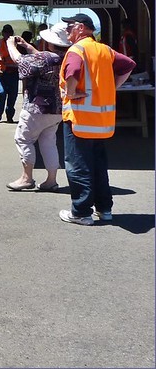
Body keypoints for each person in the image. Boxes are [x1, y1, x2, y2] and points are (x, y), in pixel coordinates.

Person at [58, 13, 136, 225]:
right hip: (101, 122)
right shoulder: (105, 50)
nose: (66, 30)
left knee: (77, 166)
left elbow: (72, 72)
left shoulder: (77, 50)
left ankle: (81, 212)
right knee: (98, 166)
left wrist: (72, 93)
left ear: (81, 28)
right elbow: (129, 64)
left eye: (69, 26)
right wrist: (112, 87)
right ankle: (105, 208)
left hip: (79, 119)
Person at [4, 22, 71, 191]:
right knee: (49, 142)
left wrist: (10, 45)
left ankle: (27, 178)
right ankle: (51, 180)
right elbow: (42, 57)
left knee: (24, 139)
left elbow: (20, 61)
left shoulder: (44, 58)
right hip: (57, 108)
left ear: (49, 42)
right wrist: (27, 46)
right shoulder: (66, 56)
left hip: (37, 108)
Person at [0, 24, 19, 122]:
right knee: (1, 92)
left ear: (12, 33)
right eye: (5, 32)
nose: (7, 34)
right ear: (3, 33)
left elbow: (17, 58)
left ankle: (10, 114)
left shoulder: (16, 44)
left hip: (13, 73)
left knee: (13, 95)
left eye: (9, 32)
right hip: (1, 72)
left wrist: (2, 59)